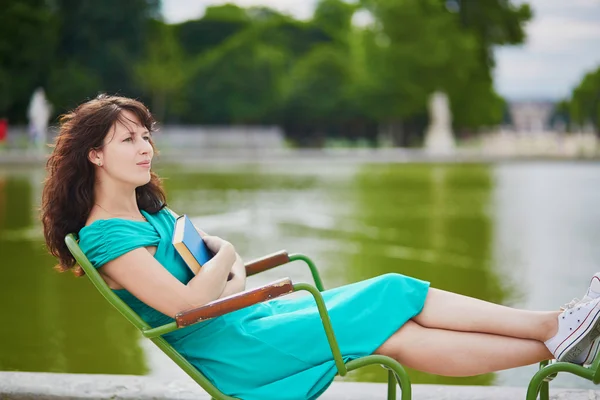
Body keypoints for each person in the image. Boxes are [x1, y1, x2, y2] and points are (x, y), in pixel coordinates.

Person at [40, 95, 600, 400]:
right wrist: (229, 252)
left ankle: (556, 342)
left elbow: (213, 288)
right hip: (236, 353)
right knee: (393, 290)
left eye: (147, 135)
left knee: (399, 332)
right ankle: (555, 326)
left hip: (249, 318)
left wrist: (224, 274)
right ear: (94, 154)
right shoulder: (106, 234)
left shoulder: (147, 213)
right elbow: (186, 307)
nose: (146, 148)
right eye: (129, 139)